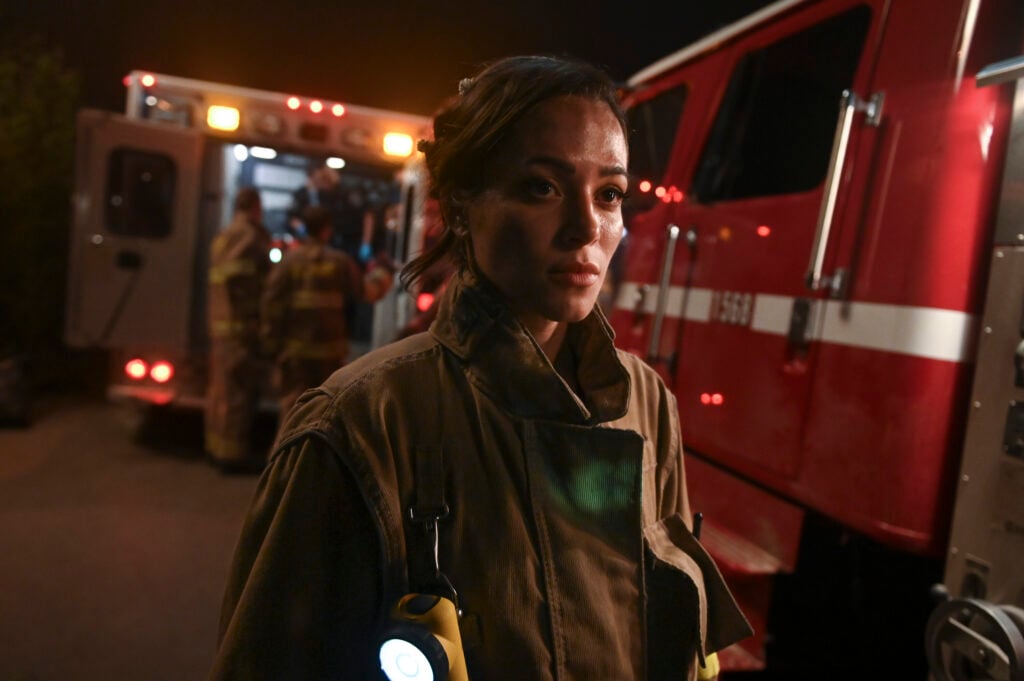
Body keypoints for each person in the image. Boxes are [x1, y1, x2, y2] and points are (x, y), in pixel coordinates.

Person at [210, 55, 751, 680]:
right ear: (463, 205)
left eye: (609, 194)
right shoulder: (359, 424)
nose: (585, 229)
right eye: (542, 187)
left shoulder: (647, 401)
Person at [260, 204, 395, 429]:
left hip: (295, 356)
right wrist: (384, 274)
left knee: (291, 414)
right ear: (327, 230)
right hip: (329, 359)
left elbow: (270, 303)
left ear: (305, 228)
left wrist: (271, 345)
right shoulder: (339, 262)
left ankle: (282, 461)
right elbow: (367, 292)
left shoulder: (289, 262)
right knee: (321, 417)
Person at [205, 186, 271, 474]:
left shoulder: (223, 236)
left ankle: (215, 448)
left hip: (220, 327)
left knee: (220, 390)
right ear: (256, 206)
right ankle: (232, 457)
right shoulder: (250, 237)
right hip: (240, 330)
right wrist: (257, 318)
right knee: (239, 395)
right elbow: (245, 282)